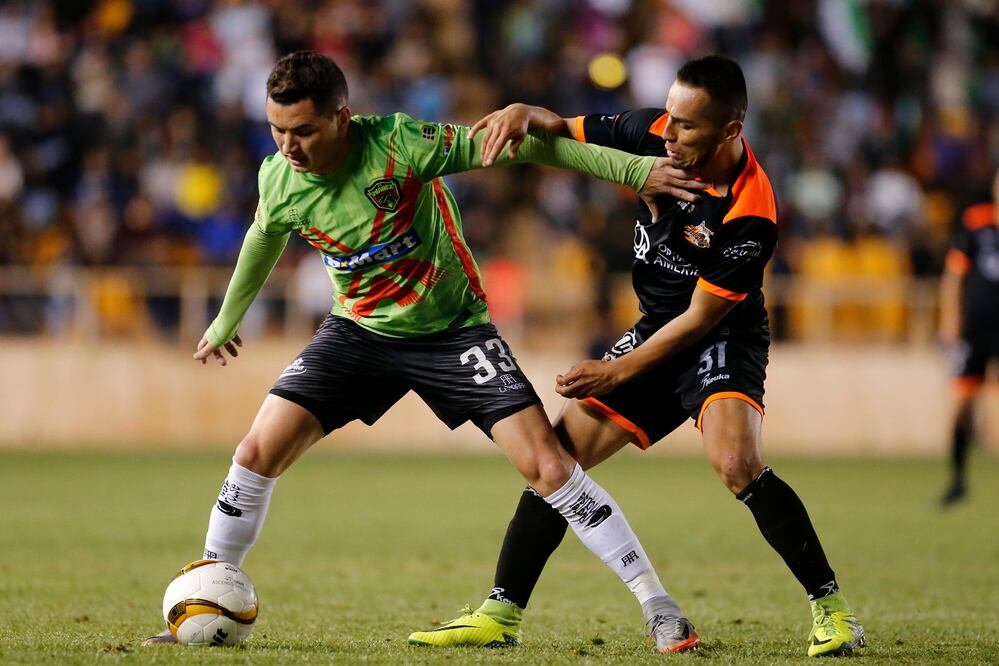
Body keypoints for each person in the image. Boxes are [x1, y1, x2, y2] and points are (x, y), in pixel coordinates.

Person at [142, 50, 708, 649]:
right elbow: (263, 237)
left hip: (454, 332)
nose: (289, 146)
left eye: (303, 130)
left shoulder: (401, 144)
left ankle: (658, 605)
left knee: (549, 466)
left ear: (342, 117)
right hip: (357, 331)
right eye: (277, 129)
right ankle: (205, 595)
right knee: (256, 451)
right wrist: (227, 319)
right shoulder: (278, 178)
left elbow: (526, 147)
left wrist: (629, 171)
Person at [408, 55, 866, 658]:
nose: (668, 135)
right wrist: (523, 111)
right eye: (669, 119)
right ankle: (501, 613)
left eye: (687, 127)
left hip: (721, 338)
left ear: (731, 130)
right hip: (655, 327)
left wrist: (615, 368)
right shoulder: (652, 130)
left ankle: (832, 612)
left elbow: (701, 318)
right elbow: (560, 129)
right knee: (556, 460)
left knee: (734, 462)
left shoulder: (751, 210)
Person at [938, 170, 999, 506]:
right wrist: (950, 318)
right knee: (962, 404)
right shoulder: (977, 223)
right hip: (975, 332)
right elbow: (953, 274)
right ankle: (958, 478)